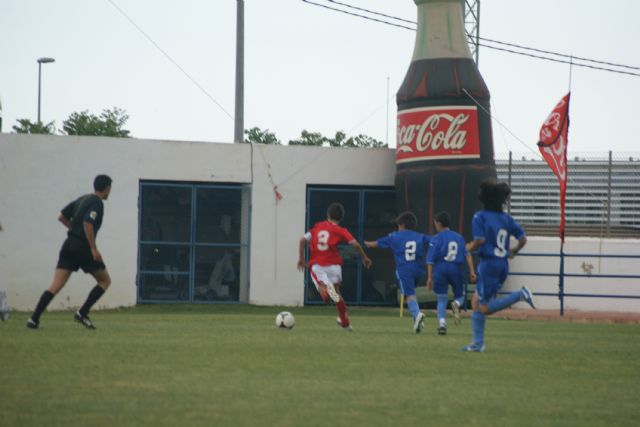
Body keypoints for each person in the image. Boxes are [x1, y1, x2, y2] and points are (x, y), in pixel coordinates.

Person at [27, 175, 113, 330]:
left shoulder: (82, 199)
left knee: (56, 285)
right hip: (83, 247)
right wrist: (93, 249)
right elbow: (88, 222)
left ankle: (34, 319)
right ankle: (82, 313)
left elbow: (62, 217)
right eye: (110, 188)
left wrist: (75, 229)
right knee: (105, 281)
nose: (110, 191)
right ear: (107, 188)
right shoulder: (97, 203)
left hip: (68, 245)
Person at [462, 179, 536, 352]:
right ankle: (477, 344)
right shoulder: (506, 218)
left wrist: (467, 247)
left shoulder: (479, 217)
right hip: (502, 264)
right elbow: (523, 239)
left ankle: (520, 295)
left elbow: (479, 240)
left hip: (489, 265)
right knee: (476, 302)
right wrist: (514, 251)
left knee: (484, 307)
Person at [297, 202, 372, 331]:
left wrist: (301, 258)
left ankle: (324, 291)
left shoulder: (317, 227)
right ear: (341, 217)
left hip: (318, 265)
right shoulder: (341, 230)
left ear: (328, 214)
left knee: (323, 286)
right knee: (336, 294)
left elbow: (302, 240)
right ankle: (345, 321)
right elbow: (355, 244)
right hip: (335, 266)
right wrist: (364, 257)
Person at [364, 211, 430, 334]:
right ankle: (417, 321)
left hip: (405, 269)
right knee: (410, 294)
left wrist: (366, 244)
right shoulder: (420, 236)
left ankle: (417, 314)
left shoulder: (395, 236)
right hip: (420, 270)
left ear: (401, 224)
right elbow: (433, 242)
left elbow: (378, 243)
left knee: (408, 295)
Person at [426, 211, 477, 335]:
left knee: (441, 298)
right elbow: (467, 255)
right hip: (456, 268)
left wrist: (429, 278)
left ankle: (442, 324)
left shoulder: (436, 238)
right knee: (461, 296)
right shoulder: (458, 237)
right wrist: (472, 271)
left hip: (440, 269)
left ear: (438, 223)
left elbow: (430, 260)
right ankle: (456, 304)